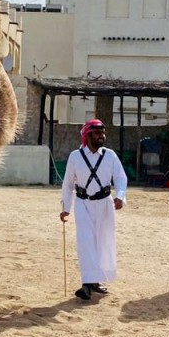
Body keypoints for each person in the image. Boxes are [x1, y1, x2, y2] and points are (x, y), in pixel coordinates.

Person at [60, 119, 127, 302]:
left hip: (105, 204)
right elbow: (67, 184)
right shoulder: (75, 156)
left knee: (102, 242)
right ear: (88, 135)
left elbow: (121, 178)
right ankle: (86, 285)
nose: (102, 136)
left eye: (103, 133)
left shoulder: (110, 155)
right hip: (83, 204)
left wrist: (120, 196)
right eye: (97, 133)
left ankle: (95, 282)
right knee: (86, 242)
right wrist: (66, 207)